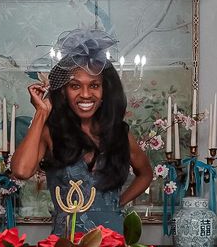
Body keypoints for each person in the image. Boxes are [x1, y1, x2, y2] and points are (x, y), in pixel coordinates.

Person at [11, 29, 153, 236]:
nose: (85, 94)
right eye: (75, 86)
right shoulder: (51, 132)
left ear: (105, 91)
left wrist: (116, 204)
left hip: (112, 244)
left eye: (94, 85)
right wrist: (41, 113)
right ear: (63, 91)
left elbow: (146, 174)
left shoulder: (119, 134)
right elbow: (21, 171)